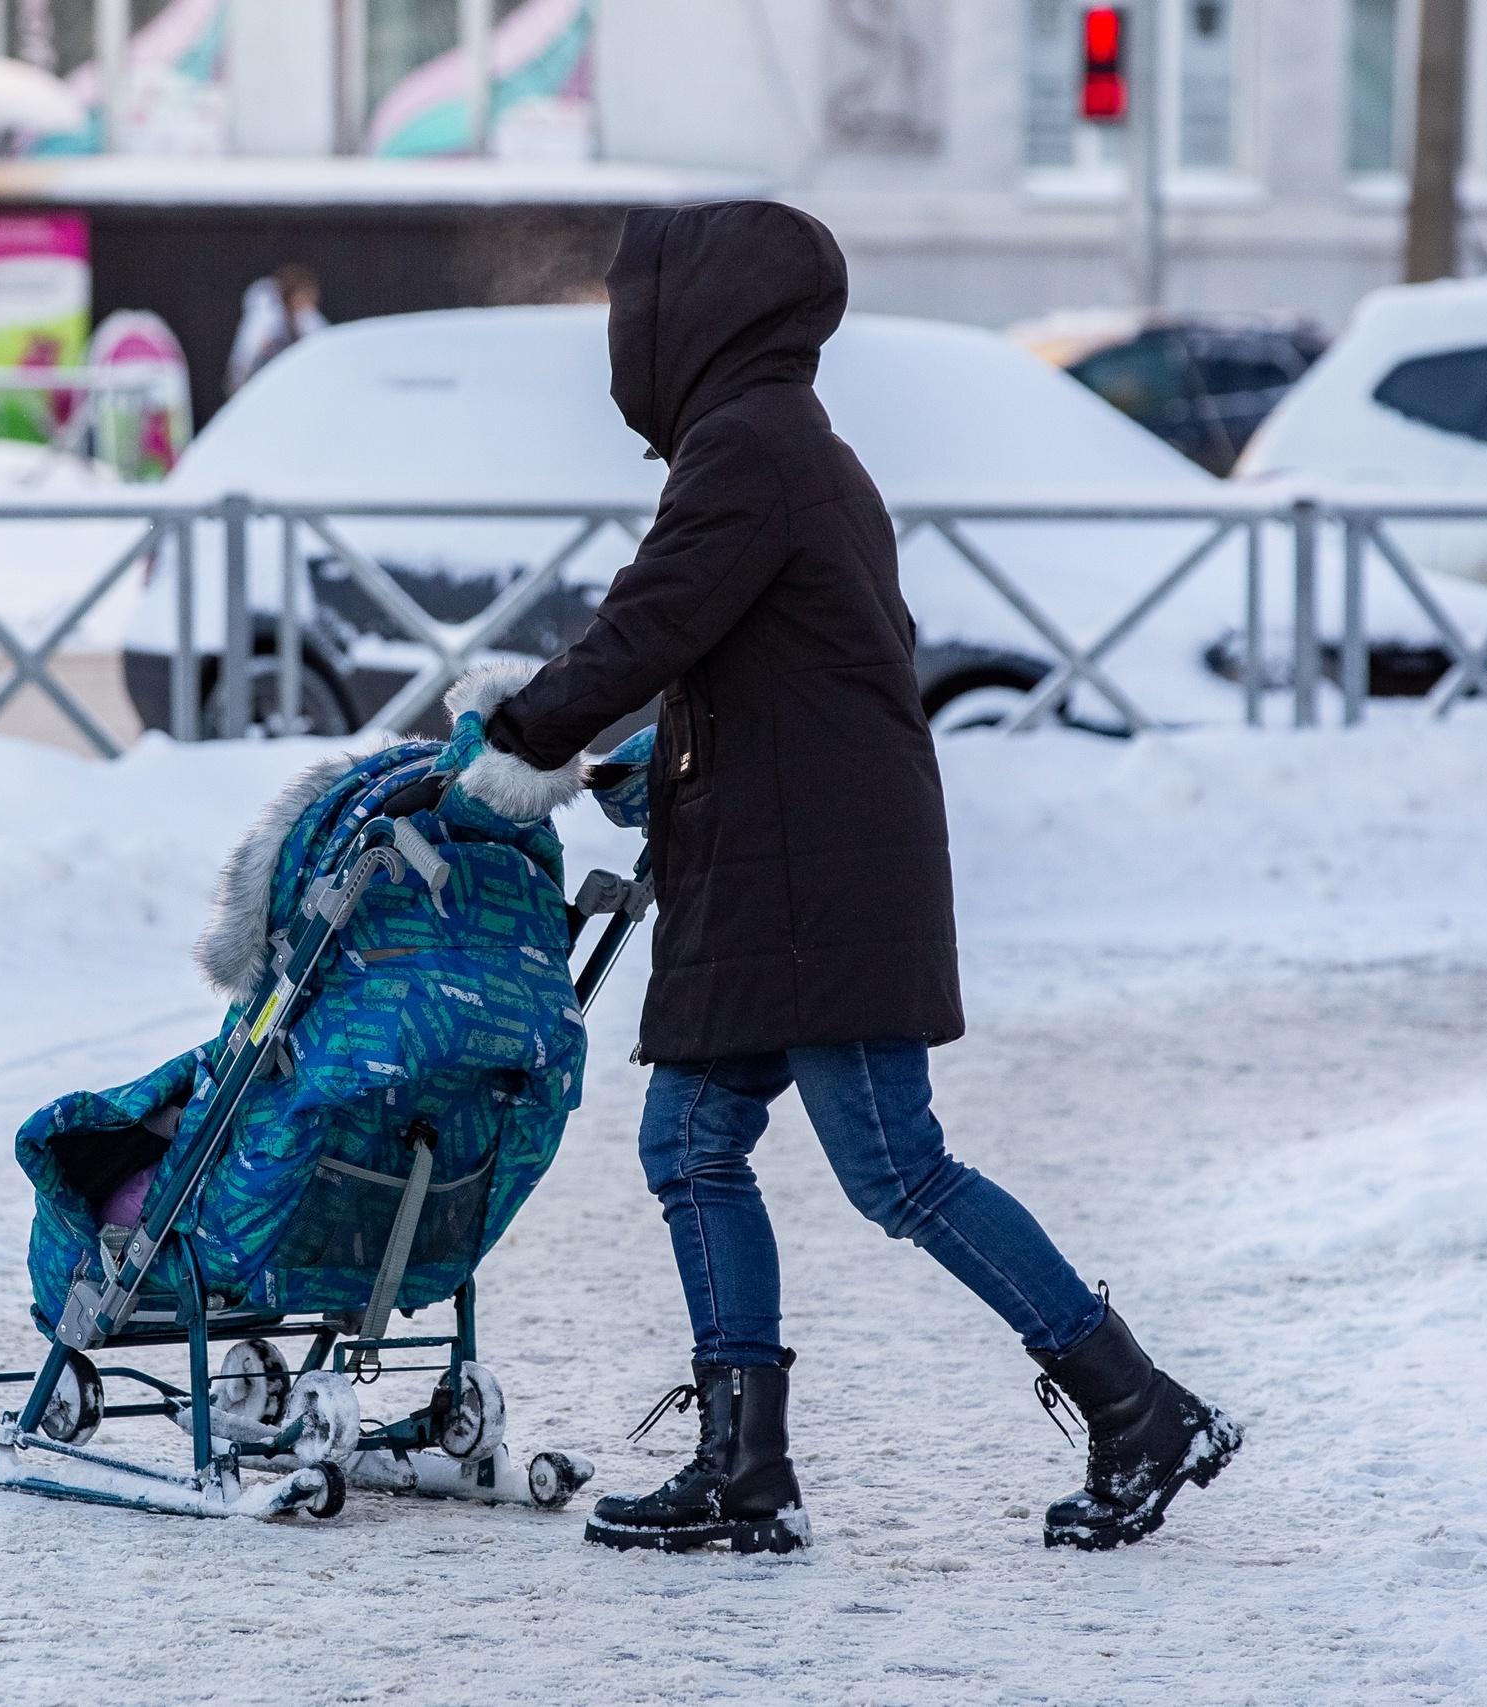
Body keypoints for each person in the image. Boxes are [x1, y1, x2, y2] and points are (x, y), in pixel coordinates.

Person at [468, 201, 1239, 1556]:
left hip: (816, 882)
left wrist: (525, 737)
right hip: (787, 868)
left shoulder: (750, 450)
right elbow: (785, 662)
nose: (621, 340)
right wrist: (650, 756)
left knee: (894, 1162)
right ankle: (743, 1463)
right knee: (691, 1143)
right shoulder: (778, 445)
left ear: (692, 322)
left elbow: (651, 620)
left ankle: (1140, 1405)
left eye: (633, 313)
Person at [223, 264, 325, 398]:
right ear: (293, 294)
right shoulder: (267, 317)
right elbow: (248, 350)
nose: (309, 303)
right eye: (306, 296)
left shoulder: (306, 318)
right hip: (261, 380)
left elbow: (322, 340)